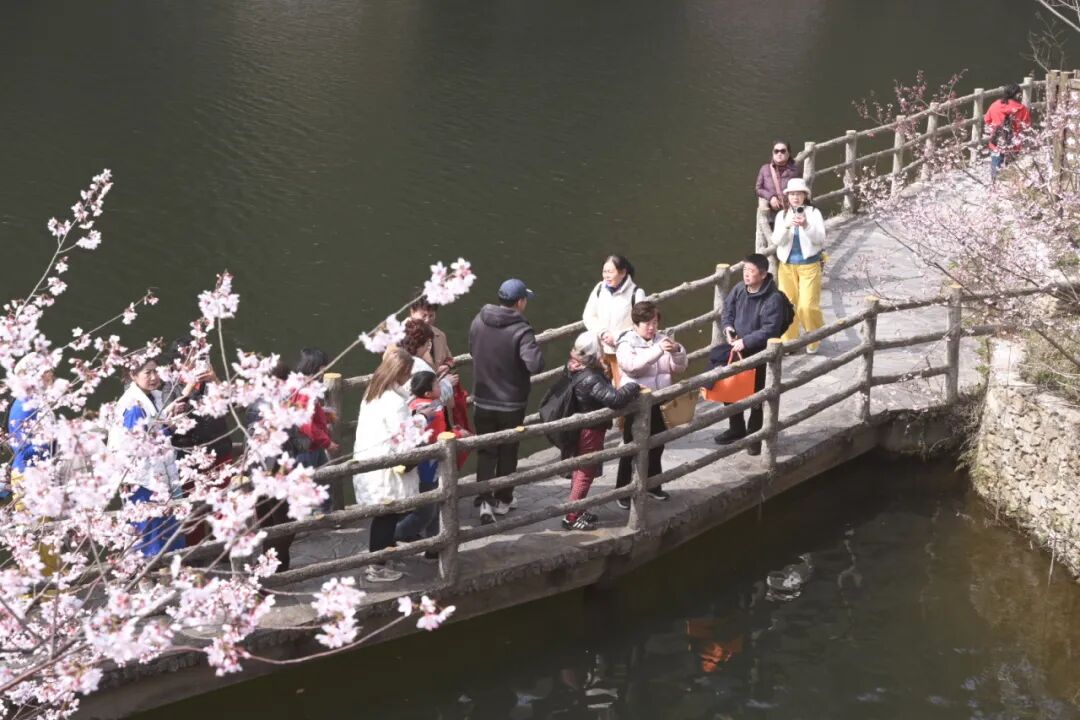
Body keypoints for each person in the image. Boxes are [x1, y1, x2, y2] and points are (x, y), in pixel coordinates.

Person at [468, 278, 545, 525]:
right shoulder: (522, 330)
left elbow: (471, 349)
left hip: (482, 399)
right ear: (520, 302)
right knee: (508, 451)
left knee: (486, 451)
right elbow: (534, 364)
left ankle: (484, 500)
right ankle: (503, 499)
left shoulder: (479, 320)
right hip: (511, 403)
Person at [558, 333, 641, 530]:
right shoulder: (590, 378)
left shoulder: (573, 367)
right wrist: (633, 387)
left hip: (580, 427)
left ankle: (578, 509)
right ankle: (572, 517)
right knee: (585, 472)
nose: (603, 351)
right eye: (600, 348)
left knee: (580, 469)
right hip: (590, 430)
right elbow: (615, 400)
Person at [709, 253, 789, 455]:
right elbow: (728, 309)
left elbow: (770, 329)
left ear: (763, 274)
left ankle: (755, 436)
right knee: (730, 389)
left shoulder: (773, 299)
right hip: (737, 349)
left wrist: (745, 341)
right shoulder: (739, 289)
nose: (746, 274)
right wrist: (728, 327)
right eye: (744, 270)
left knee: (757, 397)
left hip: (760, 353)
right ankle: (736, 428)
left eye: (751, 271)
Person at [352, 348, 420, 583]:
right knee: (387, 516)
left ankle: (384, 555)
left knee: (384, 516)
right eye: (408, 372)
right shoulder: (395, 403)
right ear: (401, 372)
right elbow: (403, 439)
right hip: (386, 467)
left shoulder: (372, 392)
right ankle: (377, 566)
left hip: (370, 460)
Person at [108, 358, 185, 557]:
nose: (153, 377)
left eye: (155, 371)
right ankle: (151, 570)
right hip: (142, 478)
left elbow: (151, 428)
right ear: (133, 376)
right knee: (150, 530)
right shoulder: (133, 405)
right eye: (147, 372)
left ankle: (166, 567)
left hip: (154, 472)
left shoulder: (151, 398)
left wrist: (167, 419)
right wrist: (167, 428)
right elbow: (137, 443)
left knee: (163, 526)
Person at [160, 338, 234, 544]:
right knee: (194, 508)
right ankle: (196, 551)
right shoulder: (170, 385)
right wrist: (190, 385)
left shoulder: (210, 380)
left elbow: (230, 406)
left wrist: (215, 379)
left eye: (200, 356)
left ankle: (226, 546)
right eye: (191, 357)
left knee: (223, 502)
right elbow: (169, 415)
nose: (196, 361)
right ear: (179, 361)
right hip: (190, 455)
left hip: (218, 448)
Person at [614, 301, 687, 505]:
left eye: (655, 322)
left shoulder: (662, 339)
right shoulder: (626, 344)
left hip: (659, 399)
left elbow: (679, 368)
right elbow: (632, 367)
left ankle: (653, 485)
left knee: (657, 443)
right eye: (647, 323)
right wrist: (657, 350)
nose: (652, 327)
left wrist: (677, 350)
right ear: (636, 325)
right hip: (635, 402)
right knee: (630, 447)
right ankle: (622, 491)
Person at [395, 371, 470, 554]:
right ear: (428, 393)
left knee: (434, 506)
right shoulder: (432, 410)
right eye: (437, 385)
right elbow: (436, 437)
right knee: (427, 510)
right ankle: (394, 535)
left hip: (421, 463)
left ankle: (433, 546)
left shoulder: (413, 404)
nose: (440, 387)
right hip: (428, 465)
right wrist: (459, 434)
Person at [244, 360, 299, 572]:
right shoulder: (281, 407)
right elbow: (293, 441)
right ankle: (276, 568)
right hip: (279, 471)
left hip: (258, 470)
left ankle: (269, 565)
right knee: (286, 523)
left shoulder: (254, 404)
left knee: (267, 520)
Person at [772, 178, 826, 353]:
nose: (795, 197)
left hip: (809, 265)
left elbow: (820, 239)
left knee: (807, 305)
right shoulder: (782, 215)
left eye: (798, 194)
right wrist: (787, 226)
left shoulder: (814, 213)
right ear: (787, 196)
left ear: (805, 196)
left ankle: (814, 337)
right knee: (787, 305)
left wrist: (806, 225)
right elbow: (776, 241)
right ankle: (789, 341)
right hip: (786, 266)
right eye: (792, 194)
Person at [581, 254, 646, 385]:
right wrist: (602, 332)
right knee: (598, 387)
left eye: (610, 272)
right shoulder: (600, 288)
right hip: (599, 351)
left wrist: (615, 338)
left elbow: (640, 325)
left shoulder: (636, 294)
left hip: (623, 352)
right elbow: (588, 315)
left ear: (623, 272)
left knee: (620, 388)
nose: (606, 276)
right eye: (604, 271)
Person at [399, 319, 455, 407]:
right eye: (428, 342)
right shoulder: (422, 368)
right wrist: (447, 384)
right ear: (424, 342)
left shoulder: (395, 359)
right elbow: (431, 403)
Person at [984, 83, 1031, 181]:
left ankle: (994, 184)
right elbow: (1026, 126)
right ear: (1017, 95)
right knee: (1011, 169)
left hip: (997, 142)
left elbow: (987, 120)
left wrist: (995, 127)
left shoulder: (995, 105)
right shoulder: (1022, 109)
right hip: (1013, 144)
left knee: (996, 168)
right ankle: (1009, 185)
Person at [755, 140, 802, 228]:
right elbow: (758, 189)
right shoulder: (765, 169)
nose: (779, 153)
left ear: (788, 153)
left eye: (783, 151)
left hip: (791, 213)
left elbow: (801, 191)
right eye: (776, 151)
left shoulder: (795, 171)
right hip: (772, 215)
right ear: (773, 153)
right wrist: (770, 197)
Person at [408, 298, 454, 370]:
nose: (427, 320)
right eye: (424, 315)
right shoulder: (398, 335)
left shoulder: (440, 335)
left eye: (431, 316)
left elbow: (449, 358)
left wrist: (447, 366)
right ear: (412, 312)